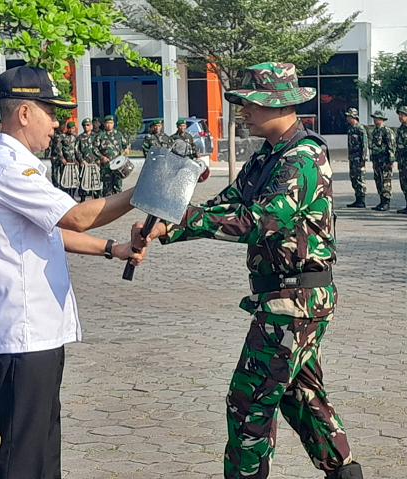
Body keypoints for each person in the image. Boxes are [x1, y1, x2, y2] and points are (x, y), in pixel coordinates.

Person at [134, 62, 363, 479]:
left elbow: (258, 220)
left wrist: (181, 221)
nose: (243, 111)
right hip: (284, 298)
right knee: (302, 397)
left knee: (248, 403)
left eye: (251, 103)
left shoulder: (303, 157)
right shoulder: (267, 156)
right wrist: (165, 224)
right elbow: (227, 203)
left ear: (281, 105)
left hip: (294, 302)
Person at [0, 66, 146, 479]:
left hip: (39, 327)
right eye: (50, 112)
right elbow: (76, 217)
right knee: (24, 449)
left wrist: (113, 249)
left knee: (45, 441)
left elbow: (53, 231)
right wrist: (145, 191)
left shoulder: (22, 165)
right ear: (24, 113)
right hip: (24, 327)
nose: (56, 122)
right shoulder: (8, 168)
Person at [92, 115, 129, 197]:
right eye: (107, 123)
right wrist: (101, 157)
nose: (109, 125)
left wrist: (126, 149)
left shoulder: (118, 134)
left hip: (118, 165)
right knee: (107, 187)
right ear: (104, 124)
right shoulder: (100, 135)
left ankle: (118, 203)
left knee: (118, 186)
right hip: (106, 165)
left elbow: (125, 145)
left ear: (113, 124)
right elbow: (94, 148)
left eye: (111, 123)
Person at [370, 110, 395, 211]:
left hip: (385, 161)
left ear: (381, 119)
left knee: (385, 180)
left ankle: (386, 202)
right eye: (374, 118)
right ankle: (381, 201)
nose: (374, 120)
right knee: (378, 180)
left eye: (376, 118)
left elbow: (391, 146)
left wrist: (391, 161)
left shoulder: (387, 131)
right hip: (377, 161)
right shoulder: (375, 131)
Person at [345, 107, 369, 208]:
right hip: (352, 157)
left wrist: (364, 159)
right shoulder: (350, 129)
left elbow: (365, 144)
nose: (347, 118)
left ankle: (362, 200)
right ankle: (357, 199)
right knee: (353, 178)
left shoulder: (360, 128)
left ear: (353, 117)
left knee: (360, 178)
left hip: (359, 158)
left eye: (349, 116)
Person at [76, 118, 98, 201]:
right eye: (84, 125)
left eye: (88, 125)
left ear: (91, 125)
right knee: (84, 181)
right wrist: (81, 160)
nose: (86, 127)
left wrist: (99, 158)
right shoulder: (80, 137)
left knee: (95, 181)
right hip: (84, 163)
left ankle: (96, 198)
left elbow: (100, 148)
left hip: (95, 163)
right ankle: (82, 199)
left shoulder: (96, 136)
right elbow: (76, 150)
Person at [59, 120, 80, 197]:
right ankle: (65, 196)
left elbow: (78, 149)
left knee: (74, 179)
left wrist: (78, 159)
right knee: (65, 179)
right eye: (69, 128)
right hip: (66, 162)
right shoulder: (63, 136)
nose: (71, 130)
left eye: (73, 128)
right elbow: (58, 148)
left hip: (74, 162)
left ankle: (73, 195)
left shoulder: (76, 137)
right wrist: (62, 158)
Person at [49, 119, 66, 187]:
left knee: (63, 172)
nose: (63, 127)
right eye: (62, 125)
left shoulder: (64, 135)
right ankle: (55, 185)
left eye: (64, 125)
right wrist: (61, 157)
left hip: (63, 157)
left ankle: (62, 186)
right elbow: (58, 147)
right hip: (55, 157)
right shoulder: (56, 135)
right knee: (54, 173)